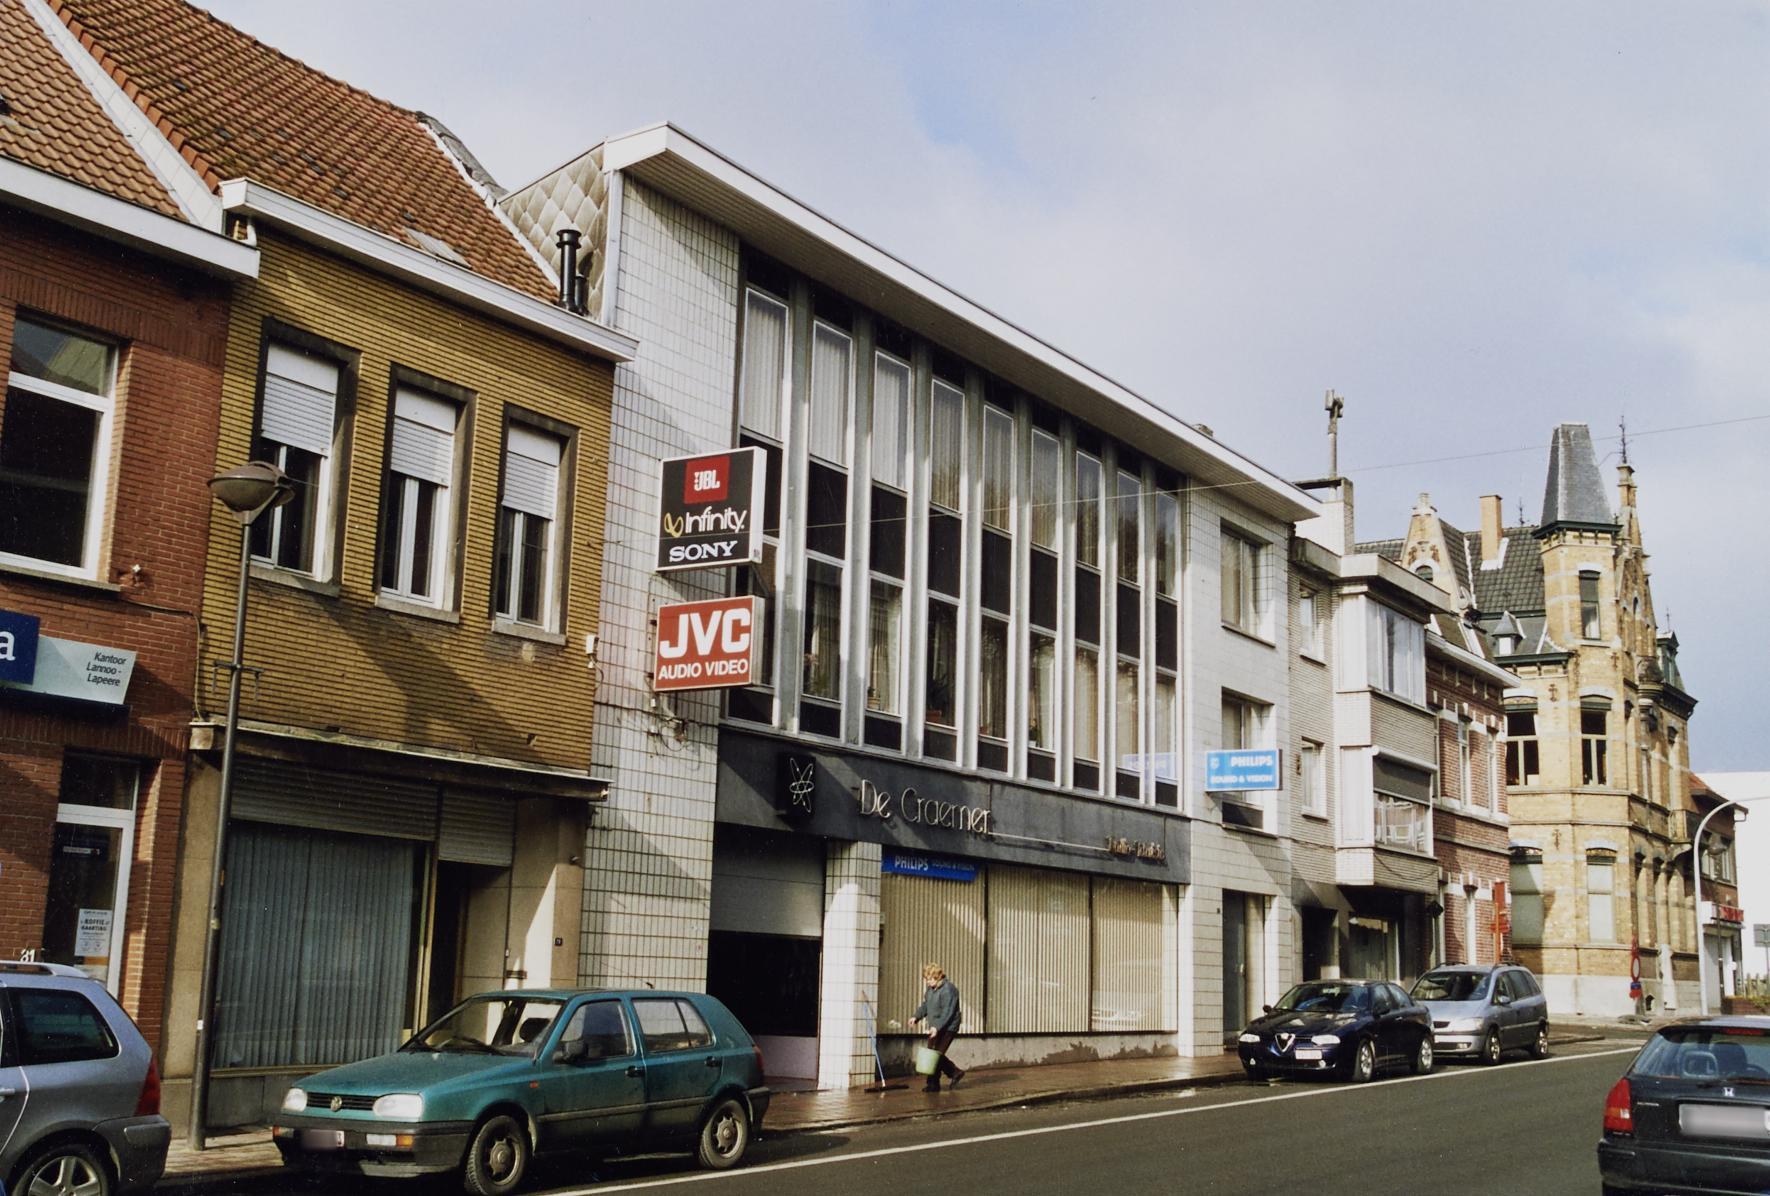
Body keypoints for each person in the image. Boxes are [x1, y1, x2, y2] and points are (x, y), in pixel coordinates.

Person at [911, 962, 965, 1092]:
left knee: (936, 1055)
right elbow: (926, 1005)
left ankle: (944, 1078)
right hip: (935, 1026)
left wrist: (937, 1027)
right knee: (932, 1054)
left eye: (929, 979)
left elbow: (948, 1012)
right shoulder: (931, 990)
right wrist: (916, 1017)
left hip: (948, 1027)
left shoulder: (949, 990)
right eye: (926, 979)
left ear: (937, 977)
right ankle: (942, 1079)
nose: (927, 982)